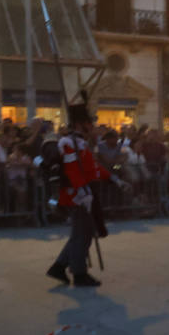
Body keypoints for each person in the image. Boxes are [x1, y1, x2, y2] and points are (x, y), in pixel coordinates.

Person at [46, 98, 104, 288]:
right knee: (83, 234)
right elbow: (72, 170)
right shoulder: (68, 142)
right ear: (80, 124)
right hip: (75, 195)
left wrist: (114, 179)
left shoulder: (81, 142)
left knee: (81, 233)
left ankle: (59, 266)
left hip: (83, 192)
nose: (92, 125)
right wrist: (81, 191)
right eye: (89, 123)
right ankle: (79, 273)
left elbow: (91, 168)